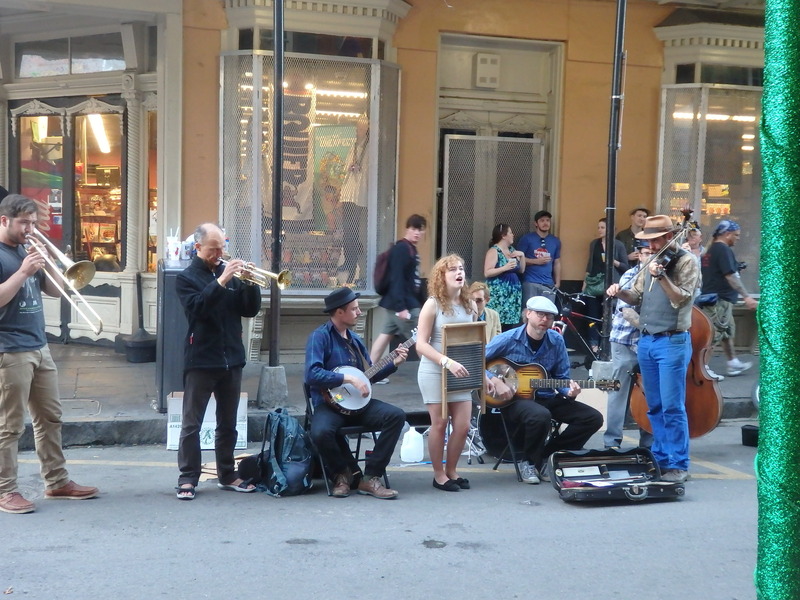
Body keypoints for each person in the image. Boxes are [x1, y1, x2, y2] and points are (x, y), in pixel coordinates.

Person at [0, 194, 98, 514]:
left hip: (39, 346)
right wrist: (24, 271)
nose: (30, 229)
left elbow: (56, 290)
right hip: (9, 350)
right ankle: (5, 490)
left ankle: (57, 482)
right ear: (4, 221)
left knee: (50, 418)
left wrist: (52, 263)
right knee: (10, 425)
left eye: (33, 223)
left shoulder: (27, 251)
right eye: (24, 223)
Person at [606, 214, 701, 484]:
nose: (651, 244)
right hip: (646, 340)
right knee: (655, 405)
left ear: (669, 237)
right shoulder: (649, 260)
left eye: (655, 239)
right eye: (648, 240)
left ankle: (679, 463)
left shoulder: (686, 261)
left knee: (673, 406)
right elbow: (634, 295)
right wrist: (618, 292)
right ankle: (660, 457)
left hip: (672, 341)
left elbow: (681, 299)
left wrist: (661, 277)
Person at [174, 223, 262, 500]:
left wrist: (248, 283)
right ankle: (188, 477)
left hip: (231, 358)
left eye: (222, 247)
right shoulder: (186, 278)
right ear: (199, 248)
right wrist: (222, 280)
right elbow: (198, 307)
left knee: (228, 422)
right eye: (214, 249)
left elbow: (249, 310)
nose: (219, 253)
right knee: (192, 424)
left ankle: (227, 473)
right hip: (201, 358)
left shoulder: (231, 276)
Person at [484, 296, 604, 484]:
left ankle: (548, 456)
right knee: (541, 415)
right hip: (514, 400)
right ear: (528, 314)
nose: (544, 320)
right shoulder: (508, 339)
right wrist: (494, 380)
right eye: (540, 314)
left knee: (592, 418)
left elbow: (562, 378)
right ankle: (529, 462)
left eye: (549, 316)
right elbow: (476, 361)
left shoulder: (556, 341)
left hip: (546, 397)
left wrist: (569, 391)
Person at [305, 287, 407, 499]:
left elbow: (368, 375)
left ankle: (370, 477)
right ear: (339, 312)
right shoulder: (320, 337)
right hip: (330, 405)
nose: (359, 312)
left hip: (359, 405)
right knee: (320, 432)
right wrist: (347, 378)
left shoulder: (356, 340)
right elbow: (312, 374)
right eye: (354, 309)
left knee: (396, 416)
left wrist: (393, 363)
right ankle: (342, 474)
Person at [416, 255, 495, 492]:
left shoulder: (469, 305)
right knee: (439, 423)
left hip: (461, 372)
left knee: (462, 426)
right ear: (442, 276)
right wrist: (446, 361)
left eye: (461, 268)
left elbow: (473, 345)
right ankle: (439, 474)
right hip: (435, 370)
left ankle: (452, 470)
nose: (459, 273)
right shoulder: (433, 304)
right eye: (453, 270)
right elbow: (420, 344)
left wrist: (482, 376)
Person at [604, 240, 654, 450]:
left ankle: (648, 444)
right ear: (638, 256)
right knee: (618, 391)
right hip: (625, 340)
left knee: (648, 394)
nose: (649, 257)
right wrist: (650, 328)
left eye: (653, 252)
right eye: (645, 253)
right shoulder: (629, 275)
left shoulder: (661, 277)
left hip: (648, 342)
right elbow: (627, 310)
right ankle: (612, 442)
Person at [700, 220, 757, 377]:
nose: (738, 238)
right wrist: (746, 296)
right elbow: (730, 276)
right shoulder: (723, 249)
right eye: (736, 235)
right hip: (719, 301)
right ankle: (702, 369)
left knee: (726, 333)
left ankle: (733, 363)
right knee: (712, 336)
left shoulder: (711, 249)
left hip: (716, 299)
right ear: (726, 234)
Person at [370, 214, 427, 365]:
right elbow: (397, 278)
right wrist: (401, 307)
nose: (417, 233)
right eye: (414, 228)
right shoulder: (402, 249)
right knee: (422, 339)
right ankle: (434, 374)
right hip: (403, 305)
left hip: (397, 304)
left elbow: (411, 279)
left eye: (420, 230)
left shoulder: (410, 249)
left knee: (384, 336)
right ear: (407, 229)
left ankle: (367, 373)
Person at [582, 217, 629, 353]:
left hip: (611, 286)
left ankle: (607, 346)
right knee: (592, 316)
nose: (599, 230)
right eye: (598, 227)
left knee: (610, 316)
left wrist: (613, 262)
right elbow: (590, 264)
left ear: (610, 229)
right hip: (594, 284)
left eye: (603, 227)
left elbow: (625, 266)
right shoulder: (594, 244)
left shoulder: (618, 245)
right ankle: (594, 347)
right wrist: (585, 283)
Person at [484, 223, 526, 331]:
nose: (513, 235)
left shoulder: (512, 250)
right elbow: (487, 272)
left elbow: (521, 270)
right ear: (503, 235)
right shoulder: (494, 251)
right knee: (498, 323)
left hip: (512, 294)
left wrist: (522, 256)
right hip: (499, 294)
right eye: (510, 233)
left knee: (509, 325)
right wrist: (504, 267)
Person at [516, 210, 561, 304]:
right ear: (536, 223)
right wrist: (536, 261)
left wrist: (557, 282)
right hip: (530, 282)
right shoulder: (527, 239)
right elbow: (518, 259)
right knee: (529, 312)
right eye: (542, 220)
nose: (545, 223)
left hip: (549, 284)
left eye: (548, 220)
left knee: (548, 314)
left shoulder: (555, 241)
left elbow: (557, 262)